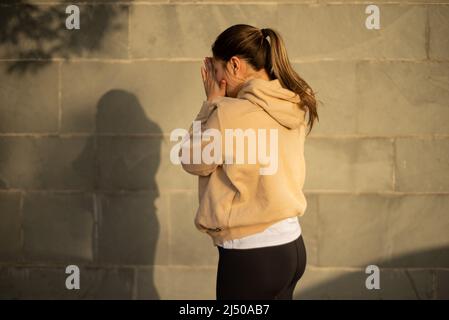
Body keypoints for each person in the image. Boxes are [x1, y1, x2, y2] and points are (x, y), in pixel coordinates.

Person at [179, 24, 319, 300]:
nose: (216, 81)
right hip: (291, 248)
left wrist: (210, 103)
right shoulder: (295, 102)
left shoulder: (228, 113)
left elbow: (191, 158)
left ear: (234, 65)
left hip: (251, 255)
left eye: (216, 71)